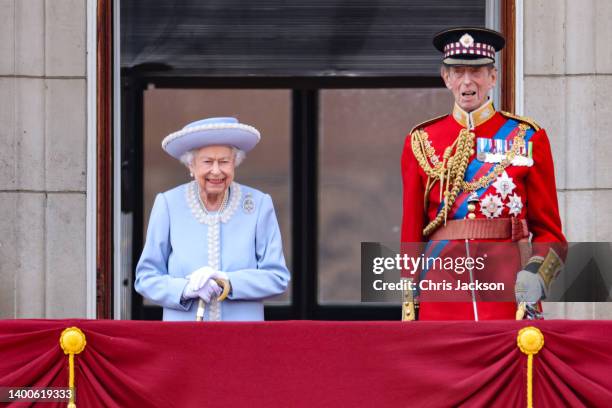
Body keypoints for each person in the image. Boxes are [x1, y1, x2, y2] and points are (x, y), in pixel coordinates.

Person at [401, 27, 566, 320]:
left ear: (493, 77)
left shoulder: (527, 137)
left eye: (477, 71)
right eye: (458, 71)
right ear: (446, 78)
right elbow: (411, 233)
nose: (468, 81)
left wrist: (537, 275)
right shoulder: (422, 140)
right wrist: (410, 299)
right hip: (442, 290)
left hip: (508, 287)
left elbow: (551, 233)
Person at [135, 117, 290, 321]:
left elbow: (277, 278)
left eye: (224, 161)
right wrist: (185, 288)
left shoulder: (259, 204)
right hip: (183, 336)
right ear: (191, 165)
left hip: (241, 336)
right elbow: (146, 278)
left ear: (235, 163)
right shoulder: (168, 204)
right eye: (207, 162)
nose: (216, 171)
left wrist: (227, 281)